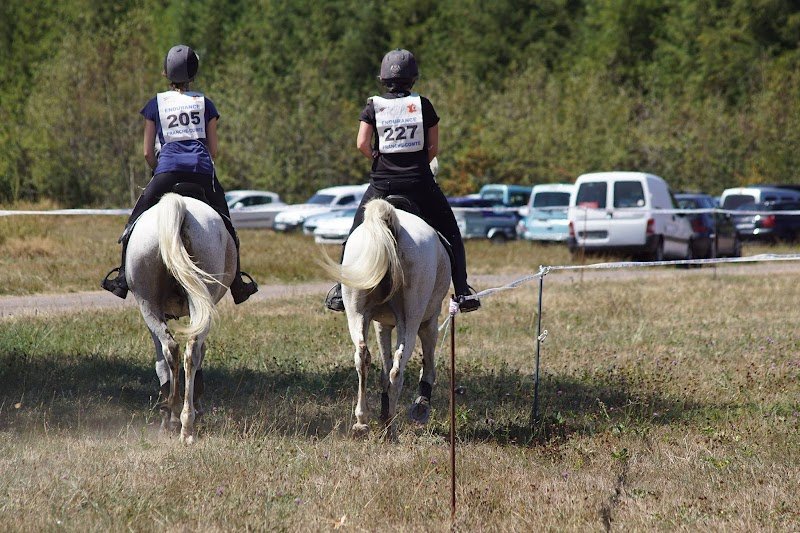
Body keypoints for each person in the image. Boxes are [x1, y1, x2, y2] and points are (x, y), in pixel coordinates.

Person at [325, 48, 480, 313]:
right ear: (413, 79)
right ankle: (463, 291)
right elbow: (433, 149)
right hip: (420, 184)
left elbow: (361, 143)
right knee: (451, 233)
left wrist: (377, 157)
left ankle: (341, 291)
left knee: (354, 235)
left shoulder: (373, 105)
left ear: (383, 79)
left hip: (382, 185)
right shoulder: (423, 105)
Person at [101, 44, 258, 304]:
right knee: (228, 227)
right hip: (201, 172)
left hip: (167, 171)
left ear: (166, 73)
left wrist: (158, 169)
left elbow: (147, 153)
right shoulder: (205, 103)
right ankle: (238, 283)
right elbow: (214, 149)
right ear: (193, 75)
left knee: (133, 224)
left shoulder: (156, 104)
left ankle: (121, 279)